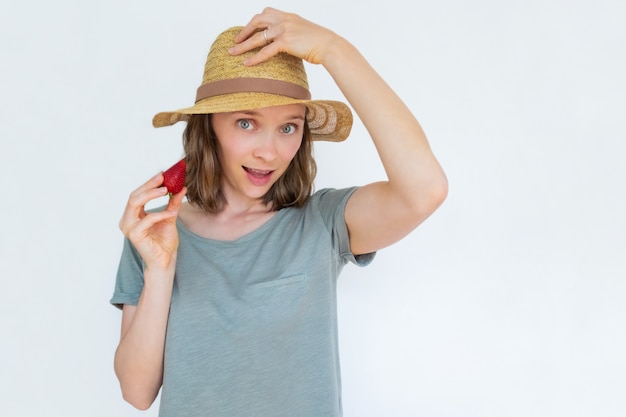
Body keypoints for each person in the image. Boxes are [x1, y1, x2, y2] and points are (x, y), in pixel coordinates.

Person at [111, 7, 447, 417]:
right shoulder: (155, 232)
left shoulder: (322, 223)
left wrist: (333, 49)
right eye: (246, 123)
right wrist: (160, 270)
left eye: (288, 127)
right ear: (208, 126)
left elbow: (425, 190)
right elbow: (136, 391)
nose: (269, 152)